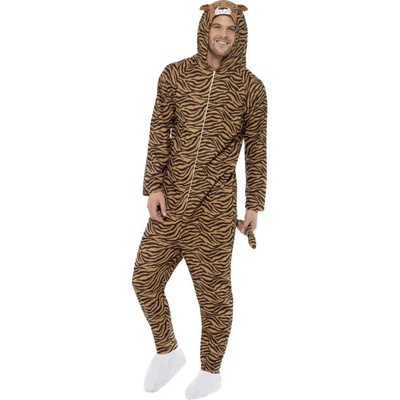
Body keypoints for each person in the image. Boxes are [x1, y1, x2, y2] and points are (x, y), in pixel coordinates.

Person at [132, 2, 267, 398]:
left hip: (214, 210)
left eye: (230, 28)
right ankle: (168, 350)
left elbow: (256, 149)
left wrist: (253, 203)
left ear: (240, 35)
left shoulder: (251, 88)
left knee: (214, 297)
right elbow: (159, 130)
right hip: (171, 202)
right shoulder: (174, 75)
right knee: (144, 279)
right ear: (205, 30)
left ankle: (210, 372)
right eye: (216, 26)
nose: (223, 34)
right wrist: (153, 187)